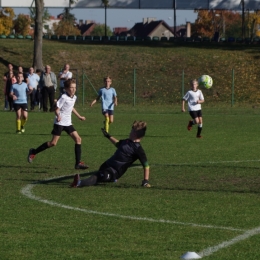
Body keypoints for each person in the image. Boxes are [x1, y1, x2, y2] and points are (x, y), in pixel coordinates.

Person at [27, 78, 88, 170]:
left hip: (68, 123)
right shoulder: (63, 97)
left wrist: (79, 116)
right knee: (53, 143)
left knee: (78, 139)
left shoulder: (74, 97)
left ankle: (78, 163)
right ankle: (33, 152)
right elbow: (56, 108)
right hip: (59, 123)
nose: (73, 89)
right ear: (66, 88)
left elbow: (71, 107)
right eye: (71, 87)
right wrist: (58, 115)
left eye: (75, 87)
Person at [70, 120, 150, 188]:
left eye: (131, 131)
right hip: (106, 165)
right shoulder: (126, 142)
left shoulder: (138, 149)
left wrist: (145, 181)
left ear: (134, 134)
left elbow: (146, 165)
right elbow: (117, 144)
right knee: (100, 174)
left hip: (115, 171)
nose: (130, 132)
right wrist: (108, 136)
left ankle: (79, 183)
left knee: (99, 176)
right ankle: (110, 179)